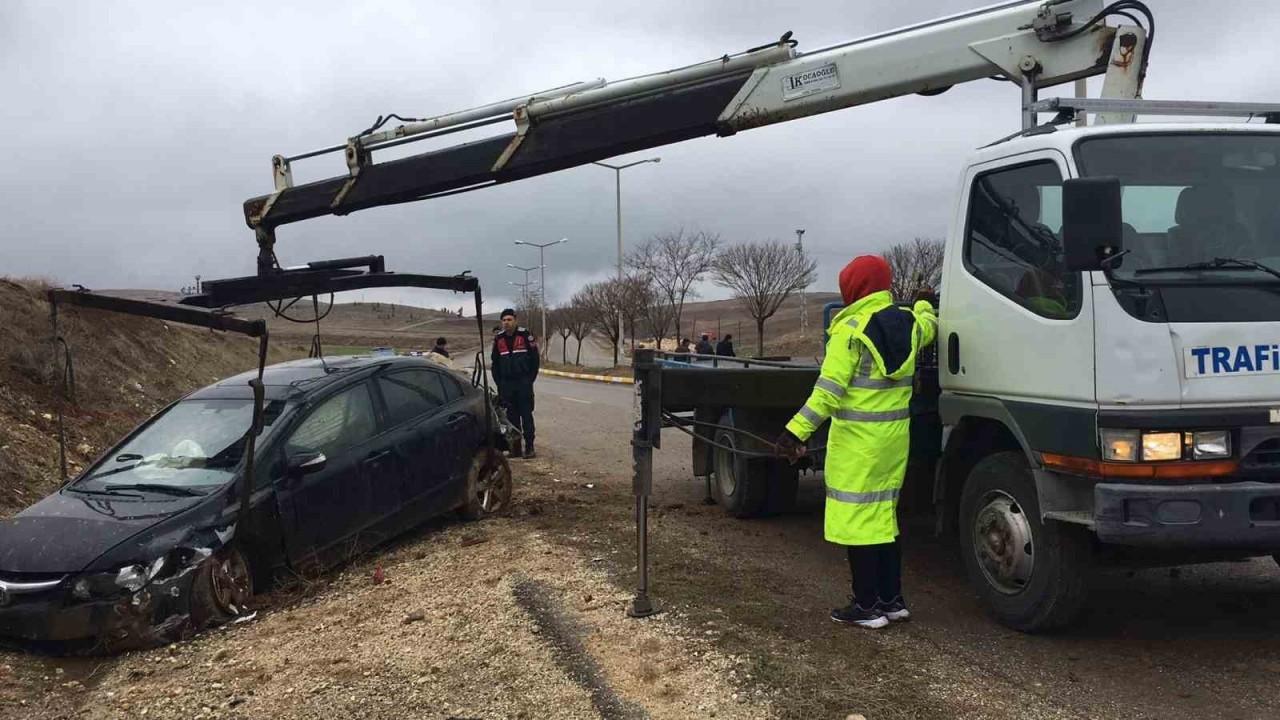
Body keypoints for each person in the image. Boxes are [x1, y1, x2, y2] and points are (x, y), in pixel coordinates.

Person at [775, 255, 937, 629]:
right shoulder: (910, 323)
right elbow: (929, 323)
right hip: (894, 440)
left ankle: (866, 606)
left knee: (857, 522)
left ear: (853, 287)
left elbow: (828, 392)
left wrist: (795, 431)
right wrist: (925, 300)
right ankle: (892, 600)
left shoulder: (849, 329)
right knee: (883, 519)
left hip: (857, 444)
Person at [491, 308, 540, 458]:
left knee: (526, 415)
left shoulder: (525, 336)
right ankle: (516, 448)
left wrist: (529, 380)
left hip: (523, 383)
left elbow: (535, 360)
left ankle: (530, 447)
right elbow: (495, 363)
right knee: (511, 418)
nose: (506, 323)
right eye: (504, 320)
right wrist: (500, 383)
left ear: (515, 320)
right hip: (506, 385)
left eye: (509, 320)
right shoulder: (498, 339)